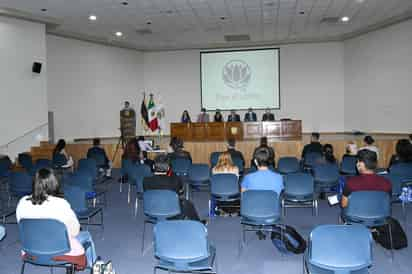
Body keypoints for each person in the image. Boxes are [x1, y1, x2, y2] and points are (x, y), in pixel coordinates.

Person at [16, 168, 96, 268]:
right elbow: (75, 231)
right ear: (54, 183)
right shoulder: (60, 204)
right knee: (86, 235)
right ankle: (95, 267)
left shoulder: (22, 202)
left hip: (30, 251)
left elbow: (22, 228)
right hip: (60, 251)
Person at [143, 155, 205, 223]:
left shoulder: (146, 180)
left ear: (153, 166)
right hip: (173, 214)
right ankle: (198, 223)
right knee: (186, 203)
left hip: (152, 212)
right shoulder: (175, 179)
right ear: (169, 167)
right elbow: (181, 191)